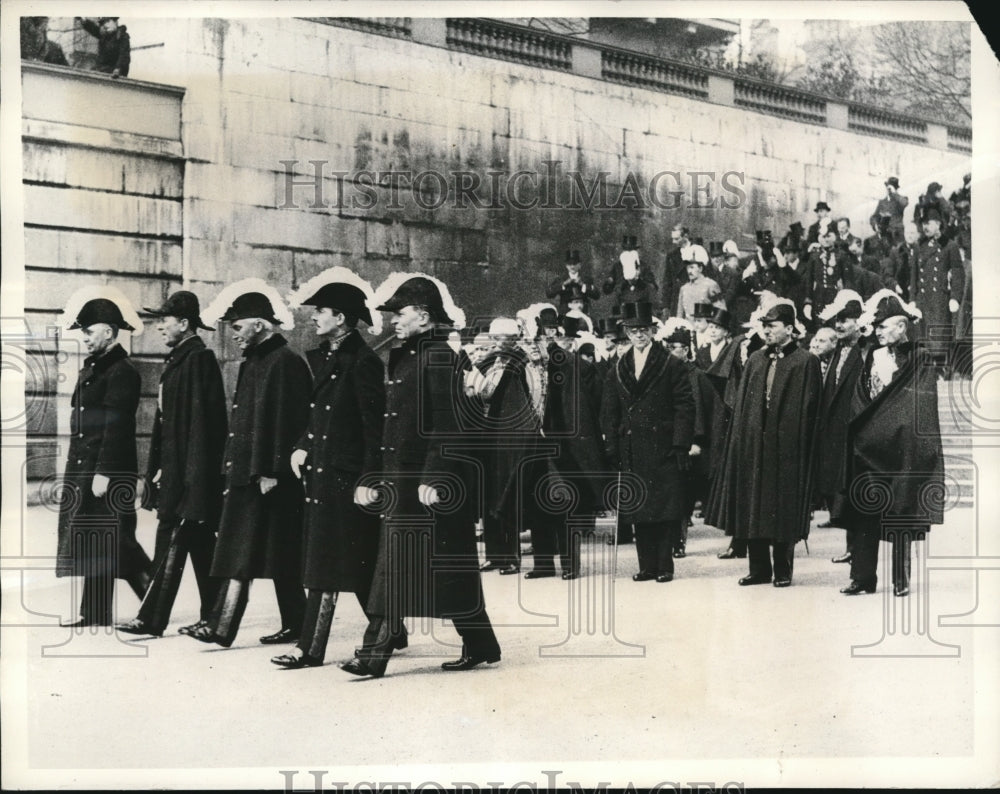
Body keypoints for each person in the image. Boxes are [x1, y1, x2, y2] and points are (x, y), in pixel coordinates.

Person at [342, 275, 501, 677]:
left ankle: (373, 655)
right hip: (404, 481)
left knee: (407, 565)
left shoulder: (440, 357)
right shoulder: (410, 355)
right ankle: (480, 643)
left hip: (425, 483)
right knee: (442, 567)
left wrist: (435, 477)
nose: (394, 320)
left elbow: (448, 425)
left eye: (401, 313)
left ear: (425, 317)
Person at [268, 269, 401, 668]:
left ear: (340, 318)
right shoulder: (329, 357)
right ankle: (393, 629)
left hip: (346, 478)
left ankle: (309, 649)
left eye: (321, 311)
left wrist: (369, 479)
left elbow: (374, 429)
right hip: (323, 473)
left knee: (329, 562)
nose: (314, 317)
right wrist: (302, 446)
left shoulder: (362, 363)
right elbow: (318, 416)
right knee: (354, 561)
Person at [188, 280, 311, 648]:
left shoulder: (284, 362)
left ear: (259, 325)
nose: (234, 334)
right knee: (272, 552)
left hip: (265, 476)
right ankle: (295, 623)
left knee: (246, 553)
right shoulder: (258, 361)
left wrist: (270, 471)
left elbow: (288, 422)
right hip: (249, 474)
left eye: (238, 327)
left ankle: (220, 627)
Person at [115, 292, 227, 638]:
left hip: (190, 476)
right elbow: (168, 425)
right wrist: (161, 468)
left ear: (184, 323)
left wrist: (194, 480)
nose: (160, 326)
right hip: (178, 472)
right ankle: (211, 619)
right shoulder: (180, 358)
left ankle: (156, 619)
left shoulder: (199, 359)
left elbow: (203, 426)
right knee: (197, 545)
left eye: (165, 320)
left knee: (176, 542)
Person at [57, 288, 152, 627]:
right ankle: (95, 613)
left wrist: (104, 472)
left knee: (119, 542)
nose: (84, 337)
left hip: (107, 471)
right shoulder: (97, 367)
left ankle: (156, 607)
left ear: (109, 332)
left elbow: (117, 425)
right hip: (87, 468)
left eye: (89, 331)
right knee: (96, 537)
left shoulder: (121, 370)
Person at [710, 300, 822, 587]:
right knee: (753, 505)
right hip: (754, 447)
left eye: (773, 326)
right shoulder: (756, 360)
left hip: (786, 449)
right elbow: (743, 407)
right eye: (765, 326)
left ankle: (783, 569)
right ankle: (758, 569)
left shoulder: (805, 362)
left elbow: (811, 410)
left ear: (789, 328)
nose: (767, 331)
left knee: (782, 507)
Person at [840, 290, 944, 597]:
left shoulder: (920, 358)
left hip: (902, 447)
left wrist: (892, 428)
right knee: (864, 510)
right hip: (870, 446)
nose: (878, 332)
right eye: (876, 327)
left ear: (901, 326)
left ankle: (901, 578)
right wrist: (866, 430)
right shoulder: (873, 356)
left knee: (901, 511)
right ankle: (862, 578)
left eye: (883, 326)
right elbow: (861, 396)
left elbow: (917, 406)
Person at [601, 301, 695, 583]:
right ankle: (647, 566)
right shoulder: (619, 367)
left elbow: (684, 406)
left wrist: (680, 444)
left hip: (663, 446)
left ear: (653, 331)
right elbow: (610, 410)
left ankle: (664, 566)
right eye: (633, 331)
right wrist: (612, 445)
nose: (638, 335)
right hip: (632, 447)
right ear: (627, 334)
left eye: (644, 329)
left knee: (663, 509)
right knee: (639, 508)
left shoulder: (670, 363)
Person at [525, 314, 607, 579]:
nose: (537, 344)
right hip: (532, 443)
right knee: (536, 503)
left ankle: (570, 564)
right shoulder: (523, 366)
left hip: (561, 443)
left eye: (541, 339)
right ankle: (543, 563)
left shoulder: (572, 365)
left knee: (563, 501)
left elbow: (588, 405)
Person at [476, 316, 540, 576]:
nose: (496, 342)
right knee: (489, 495)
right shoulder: (490, 360)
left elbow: (533, 396)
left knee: (508, 496)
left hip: (512, 436)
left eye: (501, 338)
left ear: (513, 339)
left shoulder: (522, 362)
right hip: (490, 435)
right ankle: (494, 555)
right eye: (494, 337)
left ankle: (511, 556)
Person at [659, 318, 721, 558]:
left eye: (674, 348)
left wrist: (696, 441)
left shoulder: (696, 376)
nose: (670, 352)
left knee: (682, 495)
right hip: (665, 443)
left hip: (688, 446)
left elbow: (699, 412)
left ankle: (678, 541)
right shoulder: (664, 373)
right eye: (667, 347)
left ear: (685, 350)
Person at [813, 290, 866, 562]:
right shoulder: (837, 352)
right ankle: (851, 547)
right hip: (835, 432)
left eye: (845, 320)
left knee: (854, 492)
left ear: (858, 322)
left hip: (854, 431)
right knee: (843, 491)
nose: (839, 325)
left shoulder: (865, 352)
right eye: (837, 320)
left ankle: (857, 549)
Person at [912, 207, 965, 375]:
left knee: (939, 337)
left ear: (938, 224)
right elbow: (914, 275)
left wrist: (955, 297)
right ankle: (927, 374)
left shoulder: (949, 245)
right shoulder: (919, 246)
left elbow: (958, 272)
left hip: (940, 300)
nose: (925, 227)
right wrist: (912, 299)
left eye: (928, 223)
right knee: (923, 338)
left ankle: (941, 371)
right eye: (923, 224)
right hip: (922, 300)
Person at [603, 236, 658, 308]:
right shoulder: (617, 267)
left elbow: (653, 287)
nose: (628, 254)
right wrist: (609, 282)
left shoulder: (643, 266)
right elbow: (607, 290)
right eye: (626, 250)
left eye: (631, 250)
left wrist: (639, 280)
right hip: (621, 305)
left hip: (640, 306)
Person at [676, 252, 723, 321]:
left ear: (700, 269)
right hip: (687, 326)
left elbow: (720, 312)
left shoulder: (710, 285)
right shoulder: (684, 288)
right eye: (687, 268)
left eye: (692, 267)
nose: (689, 271)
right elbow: (679, 315)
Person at [870, 176, 909, 245]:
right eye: (888, 188)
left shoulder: (901, 199)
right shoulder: (882, 202)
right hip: (886, 236)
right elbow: (874, 217)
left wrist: (895, 193)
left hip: (898, 235)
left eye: (892, 188)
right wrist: (875, 225)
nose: (889, 190)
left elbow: (905, 203)